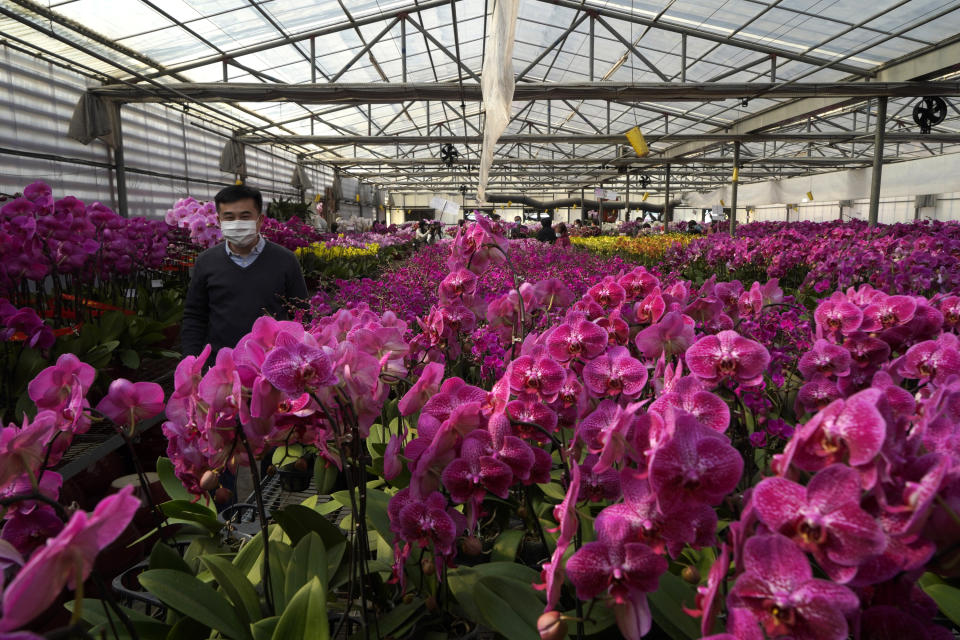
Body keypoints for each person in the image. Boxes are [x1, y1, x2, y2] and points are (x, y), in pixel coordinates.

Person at [181, 184, 309, 358]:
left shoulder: (285, 260)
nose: (237, 223)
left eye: (245, 216)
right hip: (222, 364)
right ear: (219, 221)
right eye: (229, 217)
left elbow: (302, 314)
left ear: (260, 220)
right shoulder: (206, 262)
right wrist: (192, 362)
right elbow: (195, 316)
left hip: (272, 363)